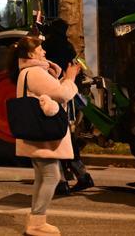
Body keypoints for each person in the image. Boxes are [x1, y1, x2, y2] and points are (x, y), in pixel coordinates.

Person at [11, 34, 80, 236]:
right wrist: (71, 79)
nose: (44, 51)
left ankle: (36, 219)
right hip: (42, 135)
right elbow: (61, 94)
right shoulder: (34, 72)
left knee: (43, 177)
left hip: (35, 133)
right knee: (52, 176)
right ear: (32, 53)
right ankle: (36, 223)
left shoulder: (28, 71)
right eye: (41, 49)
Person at [42, 18, 95, 193]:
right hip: (70, 94)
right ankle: (80, 175)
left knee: (55, 137)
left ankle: (61, 181)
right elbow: (77, 64)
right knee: (65, 135)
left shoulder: (49, 46)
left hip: (57, 95)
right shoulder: (68, 46)